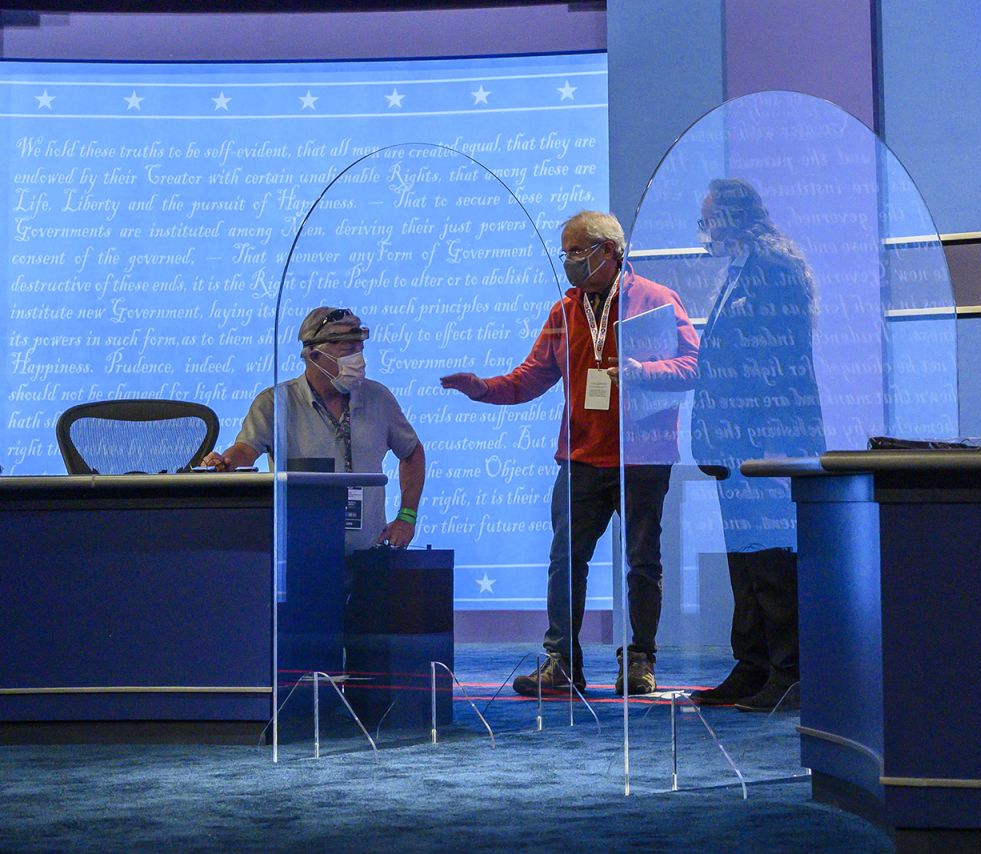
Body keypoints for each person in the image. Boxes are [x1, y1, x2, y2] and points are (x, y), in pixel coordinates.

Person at [441, 210, 698, 697]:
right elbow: (530, 378)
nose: (569, 262)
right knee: (565, 561)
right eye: (566, 253)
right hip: (580, 457)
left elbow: (691, 364)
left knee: (643, 561)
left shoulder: (657, 302)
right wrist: (483, 389)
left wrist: (644, 371)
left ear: (611, 251)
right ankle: (562, 661)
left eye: (578, 251)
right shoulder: (564, 311)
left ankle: (639, 661)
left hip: (643, 456)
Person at [687, 179, 826, 712]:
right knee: (744, 559)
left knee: (770, 558)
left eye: (708, 222)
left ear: (732, 217)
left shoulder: (773, 268)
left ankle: (789, 670)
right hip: (735, 440)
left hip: (767, 438)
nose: (704, 234)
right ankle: (753, 664)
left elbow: (776, 364)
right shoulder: (741, 269)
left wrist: (749, 433)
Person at [202, 306, 425, 553]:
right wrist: (225, 462)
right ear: (314, 354)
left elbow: (412, 453)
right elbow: (245, 449)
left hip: (369, 560)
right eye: (347, 352)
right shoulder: (276, 403)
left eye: (360, 350)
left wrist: (407, 517)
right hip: (300, 559)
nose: (358, 361)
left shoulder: (378, 398)